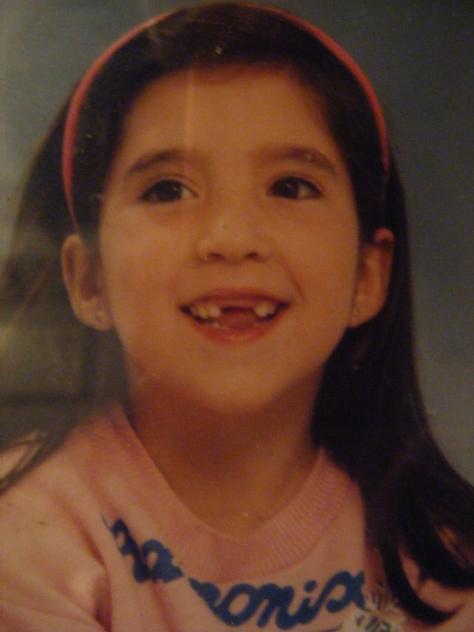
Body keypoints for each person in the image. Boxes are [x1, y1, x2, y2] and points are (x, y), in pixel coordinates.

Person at [0, 3, 473, 630]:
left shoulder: (436, 552)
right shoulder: (30, 532)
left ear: (367, 275)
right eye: (168, 190)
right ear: (89, 280)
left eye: (290, 186)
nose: (231, 237)